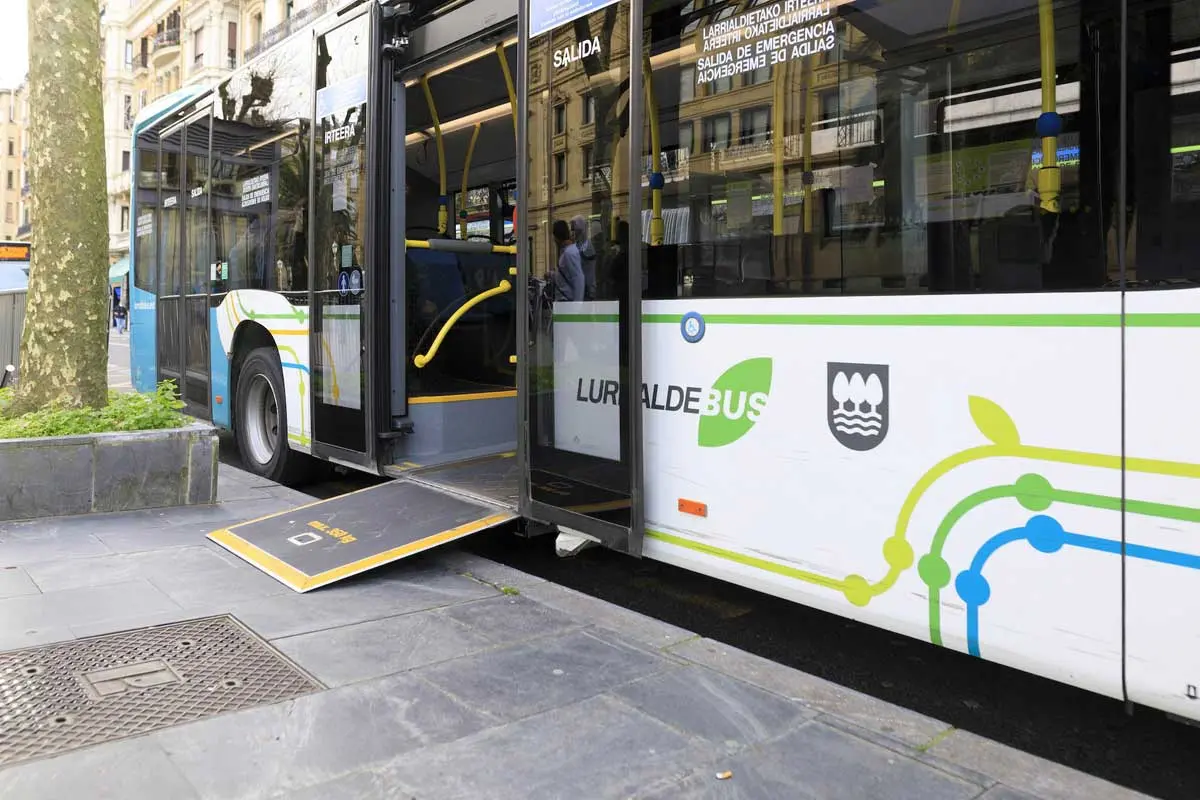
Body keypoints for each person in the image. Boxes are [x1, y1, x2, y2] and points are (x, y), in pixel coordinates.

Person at [551, 219, 585, 302]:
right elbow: (566, 275)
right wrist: (552, 275)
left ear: (556, 237)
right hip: (565, 301)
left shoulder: (569, 253)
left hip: (567, 301)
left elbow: (578, 278)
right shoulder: (567, 251)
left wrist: (577, 305)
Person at [571, 215, 597, 300]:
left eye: (575, 230)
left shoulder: (587, 246)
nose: (573, 233)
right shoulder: (578, 245)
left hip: (587, 289)